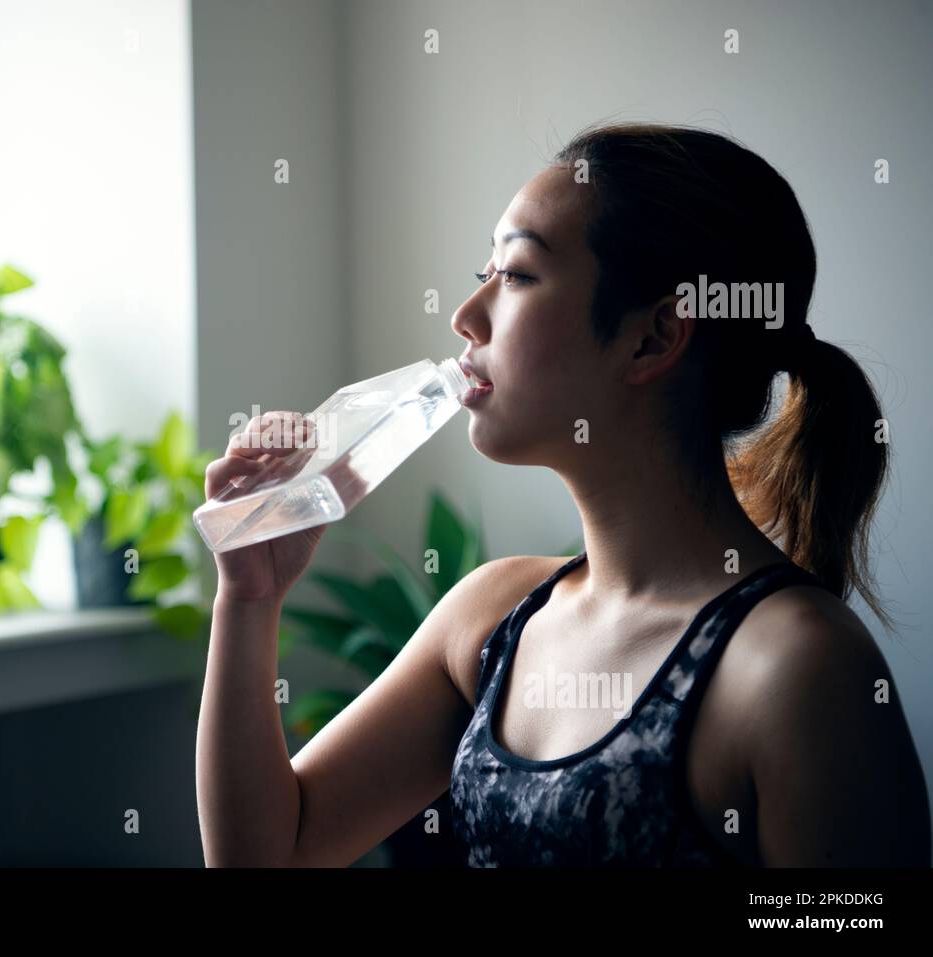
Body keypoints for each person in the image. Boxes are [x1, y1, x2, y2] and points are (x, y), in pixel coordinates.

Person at [194, 122, 930, 867]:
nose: (466, 315)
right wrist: (249, 598)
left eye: (514, 275)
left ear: (654, 337)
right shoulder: (491, 618)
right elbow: (267, 855)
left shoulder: (794, 665)